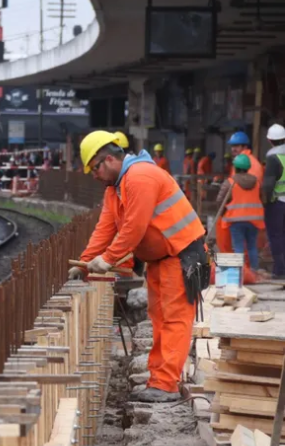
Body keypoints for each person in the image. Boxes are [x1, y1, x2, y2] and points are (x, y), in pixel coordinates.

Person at [67, 130, 208, 403]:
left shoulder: (140, 177)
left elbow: (134, 227)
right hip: (161, 259)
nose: (93, 175)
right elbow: (104, 229)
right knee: (159, 319)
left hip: (181, 256)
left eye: (94, 168)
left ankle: (166, 385)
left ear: (108, 159)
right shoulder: (116, 188)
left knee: (174, 320)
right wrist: (85, 264)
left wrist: (107, 260)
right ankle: (159, 379)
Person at [216, 154, 264, 271]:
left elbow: (219, 201)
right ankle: (254, 271)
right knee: (252, 246)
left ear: (235, 168)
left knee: (238, 246)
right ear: (248, 168)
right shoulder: (256, 182)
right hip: (254, 221)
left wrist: (223, 213)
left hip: (236, 220)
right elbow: (262, 198)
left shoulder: (230, 182)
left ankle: (240, 273)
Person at [262, 124, 285, 279]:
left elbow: (268, 185)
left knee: (276, 236)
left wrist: (265, 201)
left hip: (277, 204)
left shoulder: (273, 158)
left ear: (270, 140)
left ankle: (279, 270)